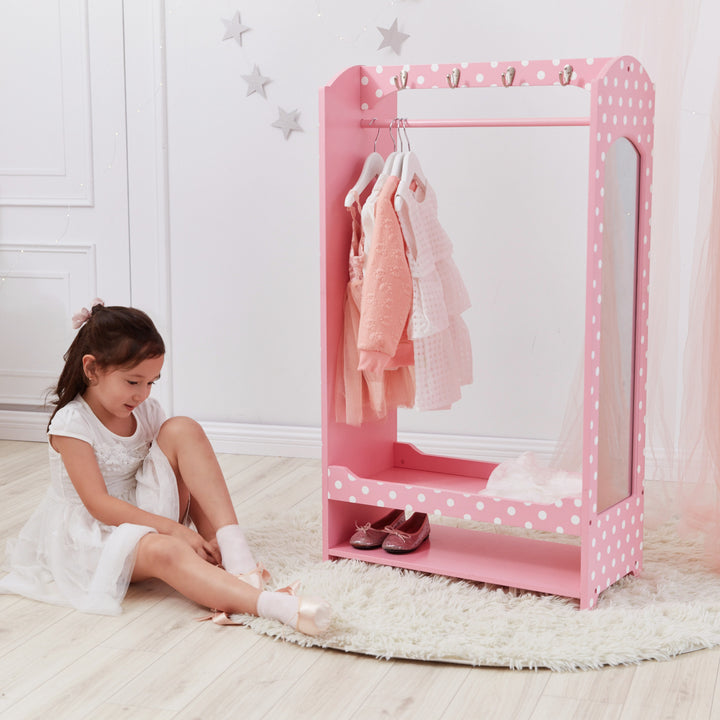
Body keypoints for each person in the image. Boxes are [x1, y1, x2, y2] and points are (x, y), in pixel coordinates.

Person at [0, 300, 330, 636]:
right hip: (94, 534)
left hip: (144, 510)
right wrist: (175, 531)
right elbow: (98, 505)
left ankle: (236, 554)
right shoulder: (72, 423)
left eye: (151, 382)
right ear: (92, 369)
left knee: (182, 427)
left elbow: (183, 472)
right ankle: (271, 605)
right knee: (167, 549)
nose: (143, 394)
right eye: (133, 382)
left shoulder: (145, 410)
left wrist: (203, 534)